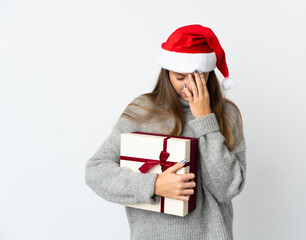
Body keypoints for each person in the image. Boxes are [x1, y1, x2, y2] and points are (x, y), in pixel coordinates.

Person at [85, 24, 247, 240]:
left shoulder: (226, 114)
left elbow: (228, 188)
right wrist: (154, 185)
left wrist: (205, 119)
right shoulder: (142, 110)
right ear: (167, 72)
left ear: (208, 72)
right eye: (180, 77)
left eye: (197, 77)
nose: (188, 86)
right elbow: (96, 172)